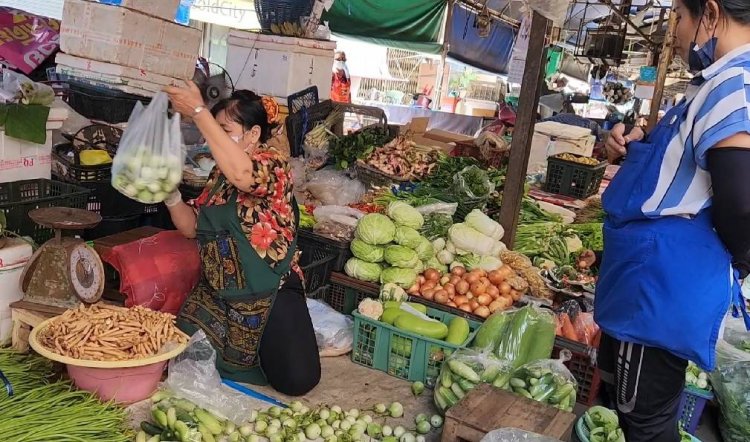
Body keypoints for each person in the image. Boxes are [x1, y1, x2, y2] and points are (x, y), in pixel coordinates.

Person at [596, 1, 750, 440]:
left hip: (659, 288)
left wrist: (739, 261)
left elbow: (741, 203)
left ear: (711, 14)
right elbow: (696, 172)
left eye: (679, 18)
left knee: (644, 419)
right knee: (632, 406)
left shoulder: (735, 83)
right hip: (651, 282)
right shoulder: (717, 82)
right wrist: (639, 143)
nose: (677, 33)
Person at [163, 82, 321, 396]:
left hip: (269, 288)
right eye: (217, 130)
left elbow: (243, 177)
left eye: (225, 131)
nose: (216, 138)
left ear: (252, 134)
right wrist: (169, 195)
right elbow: (191, 227)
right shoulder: (219, 175)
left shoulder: (272, 164)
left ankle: (266, 345)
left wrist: (198, 111)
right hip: (219, 291)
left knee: (298, 380)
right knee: (175, 357)